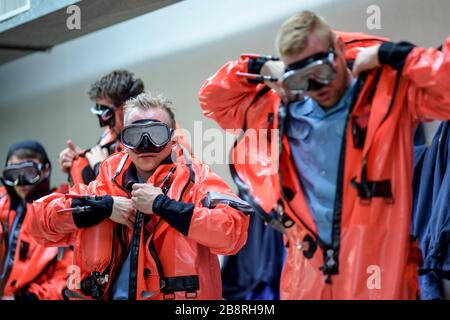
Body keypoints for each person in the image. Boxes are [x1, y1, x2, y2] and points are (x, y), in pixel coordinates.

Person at [198, 10, 450, 299]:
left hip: (378, 276)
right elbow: (213, 99)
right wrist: (262, 64)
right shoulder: (279, 110)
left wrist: (390, 53)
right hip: (306, 280)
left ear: (340, 50)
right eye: (302, 79)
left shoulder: (387, 94)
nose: (316, 88)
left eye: (321, 71)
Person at [30, 92, 251, 300]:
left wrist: (164, 206)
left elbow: (232, 233)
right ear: (124, 141)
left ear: (172, 138)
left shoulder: (196, 179)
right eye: (135, 135)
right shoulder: (105, 182)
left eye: (156, 134)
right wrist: (104, 207)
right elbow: (39, 222)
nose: (145, 144)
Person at [0, 141, 72, 300]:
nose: (21, 182)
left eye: (29, 172)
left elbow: (67, 279)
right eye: (14, 174)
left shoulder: (64, 210)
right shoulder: (3, 203)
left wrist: (24, 298)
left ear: (46, 170)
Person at [58, 70, 144, 185]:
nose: (105, 124)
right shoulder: (111, 135)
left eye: (107, 114)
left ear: (126, 108)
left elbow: (129, 194)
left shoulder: (150, 140)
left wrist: (100, 166)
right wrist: (75, 158)